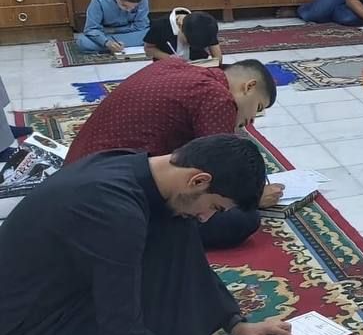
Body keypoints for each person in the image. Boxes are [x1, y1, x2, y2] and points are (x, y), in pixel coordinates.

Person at [0, 135, 298, 335]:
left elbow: (185, 255)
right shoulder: (114, 210)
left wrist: (234, 324)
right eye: (215, 207)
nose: (207, 217)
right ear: (198, 180)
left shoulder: (138, 170)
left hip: (67, 293)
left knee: (179, 220)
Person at [66, 57, 282, 250]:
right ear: (249, 87)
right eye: (258, 107)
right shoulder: (218, 98)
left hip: (78, 173)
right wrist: (254, 197)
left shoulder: (173, 65)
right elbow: (220, 170)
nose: (252, 119)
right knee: (242, 219)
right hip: (108, 201)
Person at [76, 0, 150, 54]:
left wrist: (113, 30)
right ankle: (122, 46)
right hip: (106, 34)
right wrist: (107, 43)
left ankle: (114, 47)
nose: (129, 10)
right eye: (124, 6)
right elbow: (91, 29)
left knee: (149, 34)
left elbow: (141, 25)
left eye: (134, 7)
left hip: (130, 32)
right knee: (83, 42)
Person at [144, 7, 222, 66]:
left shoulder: (205, 26)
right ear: (180, 27)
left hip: (196, 67)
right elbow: (148, 49)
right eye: (188, 42)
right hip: (168, 66)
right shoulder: (160, 26)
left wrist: (212, 64)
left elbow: (218, 60)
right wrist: (169, 58)